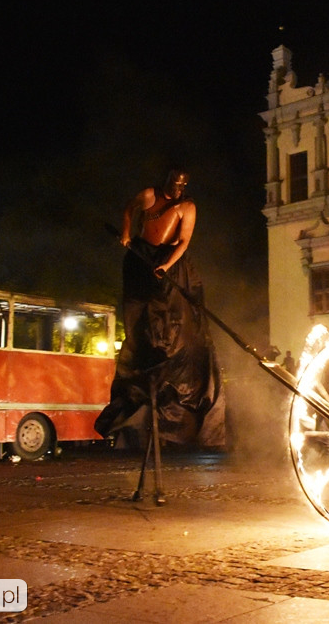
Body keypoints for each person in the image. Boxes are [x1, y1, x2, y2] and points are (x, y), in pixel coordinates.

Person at [94, 169, 222, 448]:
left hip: (165, 259)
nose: (175, 191)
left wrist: (166, 265)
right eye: (172, 187)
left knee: (164, 315)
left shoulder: (186, 206)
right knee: (138, 314)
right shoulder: (150, 194)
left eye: (180, 188)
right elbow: (130, 208)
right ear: (166, 183)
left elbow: (184, 241)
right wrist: (127, 233)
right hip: (140, 254)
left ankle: (167, 365)